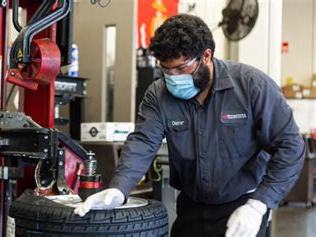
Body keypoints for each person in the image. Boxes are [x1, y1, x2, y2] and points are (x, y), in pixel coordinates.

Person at [74, 14, 305, 237]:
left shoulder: (252, 87)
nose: (173, 77)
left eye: (181, 68)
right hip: (191, 208)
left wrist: (259, 204)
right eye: (166, 70)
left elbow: (290, 146)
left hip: (242, 207)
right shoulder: (159, 93)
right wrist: (119, 188)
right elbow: (143, 142)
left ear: (206, 56)